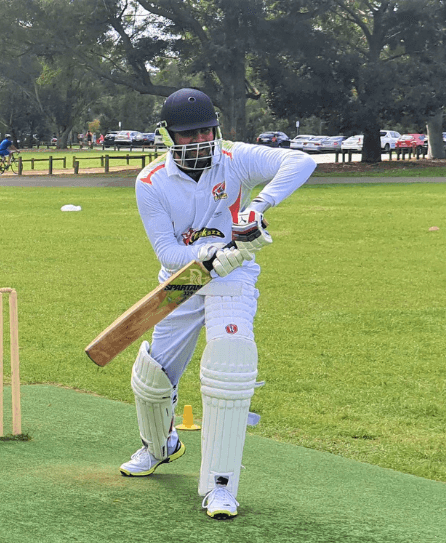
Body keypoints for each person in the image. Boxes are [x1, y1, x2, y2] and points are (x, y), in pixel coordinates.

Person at [118, 88, 316, 519]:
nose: (200, 140)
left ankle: (220, 487)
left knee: (230, 362)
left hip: (235, 275)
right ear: (169, 137)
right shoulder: (150, 182)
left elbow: (301, 160)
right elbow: (168, 253)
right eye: (188, 134)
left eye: (206, 130)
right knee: (154, 378)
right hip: (183, 279)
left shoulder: (234, 157)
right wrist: (210, 254)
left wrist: (258, 207)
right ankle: (159, 447)